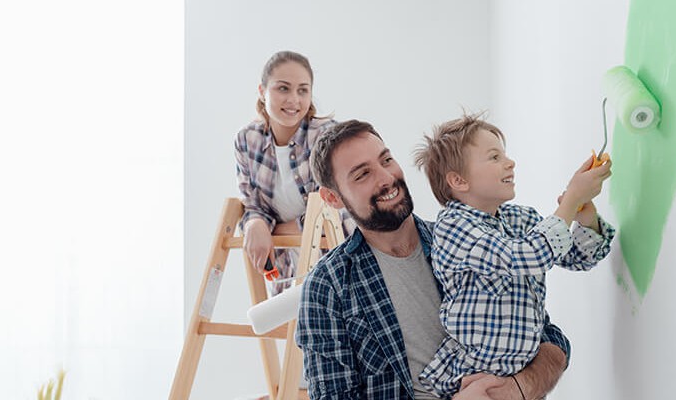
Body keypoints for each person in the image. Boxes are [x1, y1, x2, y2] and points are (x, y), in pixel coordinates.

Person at [296, 119, 573, 399]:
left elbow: (549, 338)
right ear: (333, 197)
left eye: (386, 160)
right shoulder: (328, 287)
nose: (386, 178)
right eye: (362, 174)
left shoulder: (465, 241)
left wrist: (519, 388)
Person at [412, 114, 615, 398]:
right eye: (494, 157)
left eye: (504, 154)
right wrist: (569, 201)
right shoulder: (454, 226)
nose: (510, 163)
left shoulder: (520, 219)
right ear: (458, 180)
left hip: (520, 375)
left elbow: (578, 257)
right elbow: (525, 256)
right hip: (474, 376)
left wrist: (584, 217)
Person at [234, 50, 352, 294]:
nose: (294, 100)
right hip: (288, 265)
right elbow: (252, 204)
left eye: (303, 90)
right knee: (283, 324)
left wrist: (271, 230)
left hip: (339, 258)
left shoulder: (326, 136)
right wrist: (255, 222)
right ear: (262, 91)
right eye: (283, 88)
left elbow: (334, 208)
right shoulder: (247, 140)